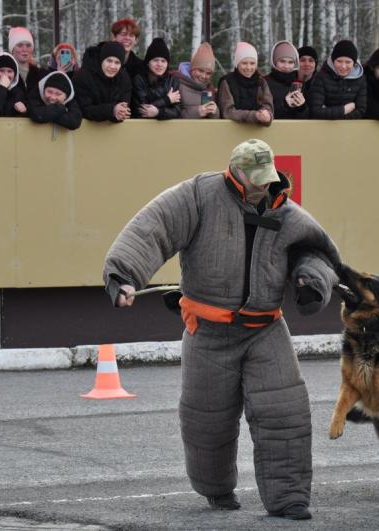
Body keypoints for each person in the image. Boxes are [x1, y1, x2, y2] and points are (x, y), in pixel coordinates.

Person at [103, 138, 342, 521]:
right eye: (257, 178)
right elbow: (153, 228)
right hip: (207, 331)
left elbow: (315, 252)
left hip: (265, 329)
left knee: (286, 413)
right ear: (236, 171)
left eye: (268, 177)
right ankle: (217, 491)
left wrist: (311, 281)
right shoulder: (198, 195)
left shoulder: (287, 212)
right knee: (206, 420)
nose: (264, 185)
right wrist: (124, 276)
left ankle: (289, 499)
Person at [74, 41, 132, 123]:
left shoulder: (124, 79)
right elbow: (84, 109)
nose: (112, 66)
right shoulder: (83, 77)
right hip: (85, 129)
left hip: (113, 130)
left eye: (117, 62)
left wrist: (120, 113)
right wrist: (111, 110)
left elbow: (123, 106)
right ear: (102, 59)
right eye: (109, 61)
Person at [217, 42, 273, 125]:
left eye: (252, 63)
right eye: (244, 63)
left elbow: (268, 105)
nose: (248, 67)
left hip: (258, 131)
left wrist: (267, 115)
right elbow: (227, 112)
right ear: (237, 64)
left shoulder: (261, 82)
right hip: (232, 131)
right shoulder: (227, 82)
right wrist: (254, 116)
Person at [308, 39, 366, 119]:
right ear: (333, 61)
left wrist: (334, 116)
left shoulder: (361, 79)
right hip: (323, 128)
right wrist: (344, 110)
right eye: (339, 61)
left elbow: (361, 110)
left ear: (354, 63)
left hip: (349, 128)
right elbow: (315, 111)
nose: (343, 66)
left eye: (348, 62)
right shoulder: (321, 78)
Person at [132, 38, 182, 119]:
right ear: (148, 63)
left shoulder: (172, 80)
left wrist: (158, 112)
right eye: (155, 60)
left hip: (167, 128)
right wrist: (167, 100)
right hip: (143, 127)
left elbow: (177, 111)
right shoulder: (139, 80)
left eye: (163, 61)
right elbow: (142, 110)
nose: (159, 64)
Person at [264, 40, 308, 119]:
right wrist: (284, 105)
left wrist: (302, 107)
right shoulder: (264, 82)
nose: (286, 66)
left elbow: (307, 118)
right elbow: (262, 114)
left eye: (290, 62)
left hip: (295, 130)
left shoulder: (300, 84)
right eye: (282, 61)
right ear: (275, 62)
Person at [174, 42, 219, 119]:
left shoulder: (210, 88)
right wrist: (197, 112)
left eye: (208, 73)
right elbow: (171, 114)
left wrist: (215, 112)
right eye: (200, 71)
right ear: (192, 68)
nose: (203, 76)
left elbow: (215, 120)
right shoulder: (176, 83)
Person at [7, 27, 45, 95]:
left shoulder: (41, 74)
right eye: (20, 45)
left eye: (28, 45)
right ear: (12, 49)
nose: (24, 49)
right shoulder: (4, 73)